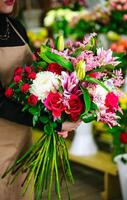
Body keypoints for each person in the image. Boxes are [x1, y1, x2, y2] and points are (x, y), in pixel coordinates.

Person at [0, 1, 81, 199]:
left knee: (21, 190)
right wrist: (55, 123)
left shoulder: (16, 26)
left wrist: (59, 106)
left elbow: (32, 78)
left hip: (22, 136)